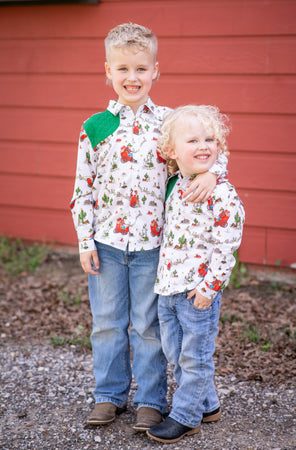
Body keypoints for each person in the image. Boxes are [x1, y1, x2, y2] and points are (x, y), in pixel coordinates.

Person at [70, 24, 227, 431]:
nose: (132, 77)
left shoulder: (168, 123)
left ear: (156, 70)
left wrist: (215, 173)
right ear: (108, 71)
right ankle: (108, 395)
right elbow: (82, 190)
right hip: (105, 244)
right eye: (123, 68)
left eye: (141, 68)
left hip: (153, 247)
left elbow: (204, 148)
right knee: (106, 323)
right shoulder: (96, 127)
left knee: (147, 327)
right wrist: (85, 240)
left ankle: (150, 400)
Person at [147, 105, 245, 443]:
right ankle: (209, 404)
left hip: (197, 293)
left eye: (210, 139)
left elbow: (227, 247)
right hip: (169, 287)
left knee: (194, 357)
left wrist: (210, 288)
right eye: (193, 140)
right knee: (176, 354)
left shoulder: (222, 194)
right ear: (172, 151)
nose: (204, 145)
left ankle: (186, 416)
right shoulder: (176, 182)